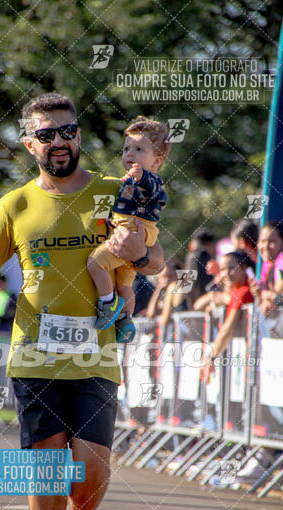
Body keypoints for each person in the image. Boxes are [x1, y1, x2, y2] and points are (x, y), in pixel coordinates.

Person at [0, 93, 164, 510]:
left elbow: (158, 263)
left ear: (79, 135)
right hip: (34, 350)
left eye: (67, 130)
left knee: (90, 465)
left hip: (96, 354)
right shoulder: (16, 203)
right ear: (30, 143)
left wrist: (139, 253)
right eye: (46, 134)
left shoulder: (115, 190)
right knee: (46, 460)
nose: (59, 141)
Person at [87, 116, 169, 343]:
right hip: (131, 230)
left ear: (157, 161)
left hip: (132, 229)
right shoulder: (127, 182)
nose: (130, 153)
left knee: (96, 263)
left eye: (139, 149)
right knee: (125, 284)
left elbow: (154, 188)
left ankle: (108, 302)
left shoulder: (151, 180)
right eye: (126, 148)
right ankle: (125, 320)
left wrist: (141, 177)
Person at [199, 250, 254, 384]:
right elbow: (197, 305)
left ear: (244, 268)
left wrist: (211, 358)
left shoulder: (243, 292)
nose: (227, 273)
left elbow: (228, 328)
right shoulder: (234, 290)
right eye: (223, 269)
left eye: (232, 268)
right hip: (238, 356)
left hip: (248, 357)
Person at [185, 228, 216, 309]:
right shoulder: (201, 255)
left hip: (196, 305)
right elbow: (190, 285)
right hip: (201, 306)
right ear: (210, 244)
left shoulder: (191, 256)